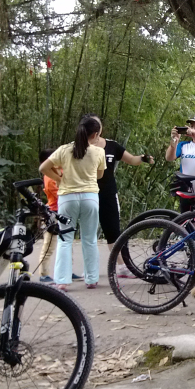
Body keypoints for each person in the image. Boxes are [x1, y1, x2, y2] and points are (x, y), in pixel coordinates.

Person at [39, 116, 106, 291]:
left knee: (65, 239)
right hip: (90, 197)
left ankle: (62, 280)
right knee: (89, 239)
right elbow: (99, 175)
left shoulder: (64, 150)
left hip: (67, 198)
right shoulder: (98, 152)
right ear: (95, 134)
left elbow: (43, 168)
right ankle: (91, 279)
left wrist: (59, 179)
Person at [88, 115, 154, 279]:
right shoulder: (78, 147)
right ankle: (90, 270)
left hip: (108, 193)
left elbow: (131, 159)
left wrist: (143, 158)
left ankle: (121, 266)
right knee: (89, 232)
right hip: (86, 193)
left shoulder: (111, 145)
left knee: (113, 230)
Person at [37, 148, 83, 283]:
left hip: (65, 212)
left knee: (67, 243)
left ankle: (68, 270)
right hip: (53, 214)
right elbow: (59, 192)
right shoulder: (49, 176)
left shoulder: (60, 171)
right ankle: (43, 274)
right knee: (49, 245)